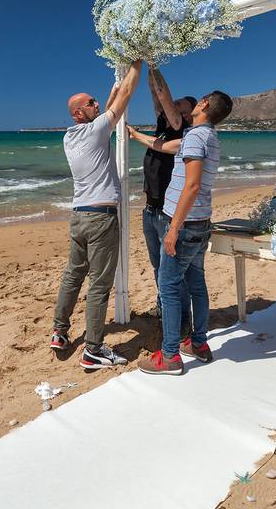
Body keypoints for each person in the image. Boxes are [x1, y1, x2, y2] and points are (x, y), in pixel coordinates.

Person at [50, 61, 142, 370]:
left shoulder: (71, 137)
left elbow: (104, 113)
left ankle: (60, 332)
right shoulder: (95, 132)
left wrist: (111, 91)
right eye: (91, 103)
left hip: (79, 216)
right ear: (79, 112)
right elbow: (126, 95)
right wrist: (137, 62)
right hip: (101, 218)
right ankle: (93, 350)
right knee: (99, 284)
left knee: (72, 275)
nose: (97, 104)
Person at [137, 90, 233, 376]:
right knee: (196, 285)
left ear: (203, 105)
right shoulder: (208, 137)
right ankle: (198, 344)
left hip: (185, 225)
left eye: (199, 99)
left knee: (168, 288)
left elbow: (191, 186)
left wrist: (174, 228)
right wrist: (134, 135)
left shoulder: (196, 137)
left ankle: (169, 357)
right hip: (201, 222)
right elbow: (166, 147)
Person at [129, 66, 196, 332]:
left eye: (181, 104)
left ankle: (180, 321)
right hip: (150, 209)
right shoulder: (163, 125)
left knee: (171, 272)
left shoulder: (181, 130)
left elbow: (163, 96)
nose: (174, 103)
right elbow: (156, 95)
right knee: (158, 266)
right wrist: (147, 65)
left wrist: (155, 65)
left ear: (186, 114)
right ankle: (163, 307)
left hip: (166, 213)